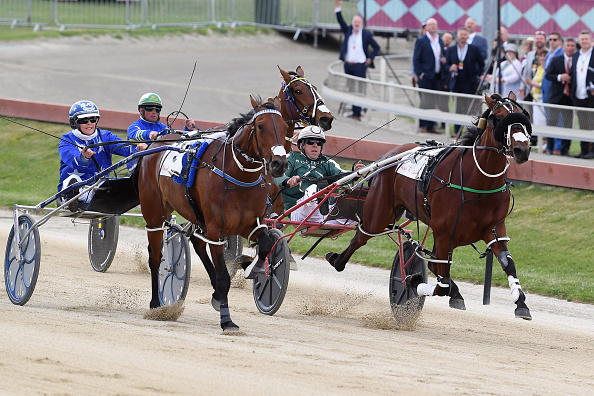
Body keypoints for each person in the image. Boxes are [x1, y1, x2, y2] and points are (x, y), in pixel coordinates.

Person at [58, 100, 147, 210]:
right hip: (75, 189)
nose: (89, 123)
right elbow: (74, 162)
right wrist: (84, 157)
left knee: (129, 186)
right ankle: (71, 200)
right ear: (74, 122)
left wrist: (137, 148)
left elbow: (123, 148)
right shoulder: (66, 140)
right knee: (74, 179)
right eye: (84, 120)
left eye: (93, 119)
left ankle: (154, 212)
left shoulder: (105, 136)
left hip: (99, 189)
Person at [272, 125, 365, 222]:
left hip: (324, 216)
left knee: (355, 208)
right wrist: (287, 180)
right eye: (310, 142)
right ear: (301, 145)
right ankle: (320, 197)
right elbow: (278, 174)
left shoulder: (327, 162)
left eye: (319, 143)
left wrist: (355, 173)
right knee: (313, 188)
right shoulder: (292, 158)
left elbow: (341, 175)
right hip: (298, 212)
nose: (315, 145)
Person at [335, 0, 380, 121]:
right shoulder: (348, 31)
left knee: (359, 89)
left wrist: (370, 58)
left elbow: (377, 47)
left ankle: (357, 113)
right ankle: (351, 109)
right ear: (352, 23)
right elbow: (340, 21)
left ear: (361, 24)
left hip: (360, 66)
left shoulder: (366, 35)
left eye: (358, 22)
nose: (356, 23)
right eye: (355, 21)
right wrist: (338, 7)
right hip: (348, 65)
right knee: (349, 87)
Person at [127, 92, 198, 170]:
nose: (154, 112)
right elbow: (135, 134)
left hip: (157, 165)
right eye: (150, 109)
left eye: (157, 109)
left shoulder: (163, 127)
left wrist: (187, 129)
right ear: (141, 110)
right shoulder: (134, 126)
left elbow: (176, 139)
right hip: (137, 167)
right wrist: (149, 134)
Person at [445, 27, 485, 135]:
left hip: (470, 83)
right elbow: (446, 64)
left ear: (467, 36)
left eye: (464, 34)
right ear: (458, 36)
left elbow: (481, 63)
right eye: (461, 34)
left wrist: (478, 75)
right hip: (457, 82)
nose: (463, 36)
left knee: (471, 108)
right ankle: (457, 131)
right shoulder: (452, 49)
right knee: (458, 107)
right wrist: (451, 67)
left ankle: (469, 132)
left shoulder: (474, 49)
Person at [412, 17, 444, 134]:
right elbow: (416, 59)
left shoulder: (439, 40)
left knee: (434, 101)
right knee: (425, 101)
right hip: (426, 76)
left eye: (434, 25)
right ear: (427, 27)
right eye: (430, 25)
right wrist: (420, 73)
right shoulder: (422, 40)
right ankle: (423, 124)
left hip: (437, 75)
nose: (433, 27)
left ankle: (431, 125)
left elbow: (441, 54)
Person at [545, 38, 576, 156]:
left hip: (569, 97)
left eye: (572, 45)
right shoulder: (556, 59)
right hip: (556, 96)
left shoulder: (577, 60)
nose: (570, 48)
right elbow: (548, 75)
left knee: (568, 124)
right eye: (568, 45)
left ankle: (565, 149)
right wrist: (559, 77)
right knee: (552, 122)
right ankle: (550, 147)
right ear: (564, 46)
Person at [570, 31, 594, 159]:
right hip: (578, 95)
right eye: (582, 39)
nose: (584, 41)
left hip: (591, 96)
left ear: (590, 40)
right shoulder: (575, 56)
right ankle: (583, 150)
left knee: (592, 124)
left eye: (586, 39)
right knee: (583, 124)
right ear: (579, 41)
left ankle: (592, 151)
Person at [520, 31, 547, 100]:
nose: (539, 40)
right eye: (537, 39)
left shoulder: (549, 54)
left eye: (541, 39)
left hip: (541, 93)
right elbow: (525, 73)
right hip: (529, 91)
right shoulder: (530, 54)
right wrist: (522, 88)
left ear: (545, 41)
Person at [525, 50, 548, 128]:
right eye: (541, 56)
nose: (542, 58)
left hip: (543, 99)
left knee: (542, 122)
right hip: (535, 98)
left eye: (544, 56)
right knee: (536, 121)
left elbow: (544, 84)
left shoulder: (546, 69)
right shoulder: (539, 68)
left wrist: (532, 83)